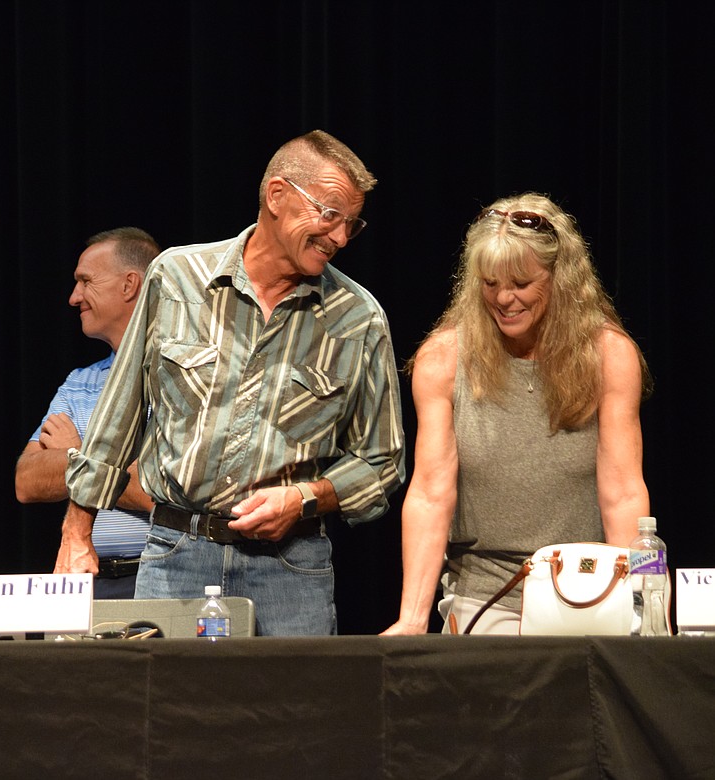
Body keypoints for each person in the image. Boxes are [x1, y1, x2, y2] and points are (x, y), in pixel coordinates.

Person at [53, 131, 405, 636]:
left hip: (291, 570)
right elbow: (119, 414)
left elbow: (383, 461)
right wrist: (76, 530)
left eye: (352, 223)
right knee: (167, 712)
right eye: (330, 215)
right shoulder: (175, 278)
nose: (341, 237)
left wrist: (305, 497)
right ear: (277, 196)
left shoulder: (357, 319)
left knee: (293, 715)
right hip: (176, 556)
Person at [382, 194, 652, 636]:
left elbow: (623, 494)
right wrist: (412, 619)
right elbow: (431, 494)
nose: (504, 298)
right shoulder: (444, 359)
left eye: (521, 283)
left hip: (584, 588)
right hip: (483, 594)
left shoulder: (609, 356)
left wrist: (640, 609)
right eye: (490, 283)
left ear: (559, 278)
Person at [15, 228, 159, 599]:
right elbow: (27, 481)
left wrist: (75, 453)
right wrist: (90, 459)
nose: (73, 297)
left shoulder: (179, 376)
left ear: (130, 285)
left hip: (161, 578)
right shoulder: (81, 382)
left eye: (85, 281)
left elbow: (161, 494)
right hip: (87, 580)